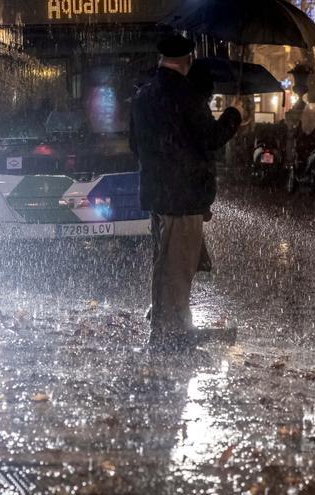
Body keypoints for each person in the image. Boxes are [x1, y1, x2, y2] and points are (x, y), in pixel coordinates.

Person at [130, 34, 242, 350]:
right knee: (179, 267)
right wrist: (234, 114)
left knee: (162, 261)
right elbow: (212, 137)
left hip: (156, 195)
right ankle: (173, 333)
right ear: (187, 60)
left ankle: (162, 321)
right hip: (184, 197)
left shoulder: (142, 95)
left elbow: (134, 145)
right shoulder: (187, 96)